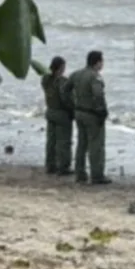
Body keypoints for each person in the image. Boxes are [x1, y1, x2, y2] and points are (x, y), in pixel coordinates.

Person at [71, 51, 110, 185]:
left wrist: (74, 103)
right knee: (96, 145)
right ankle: (97, 175)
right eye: (101, 61)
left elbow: (65, 89)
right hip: (92, 114)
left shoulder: (76, 74)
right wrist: (102, 111)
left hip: (79, 112)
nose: (102, 64)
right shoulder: (95, 77)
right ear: (97, 62)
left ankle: (80, 173)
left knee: (81, 144)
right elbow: (98, 95)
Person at [42, 56, 74, 175]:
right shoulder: (62, 81)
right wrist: (72, 110)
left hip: (50, 111)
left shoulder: (46, 79)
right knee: (64, 141)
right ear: (61, 67)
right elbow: (65, 98)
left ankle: (50, 164)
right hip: (61, 114)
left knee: (51, 141)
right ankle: (64, 166)